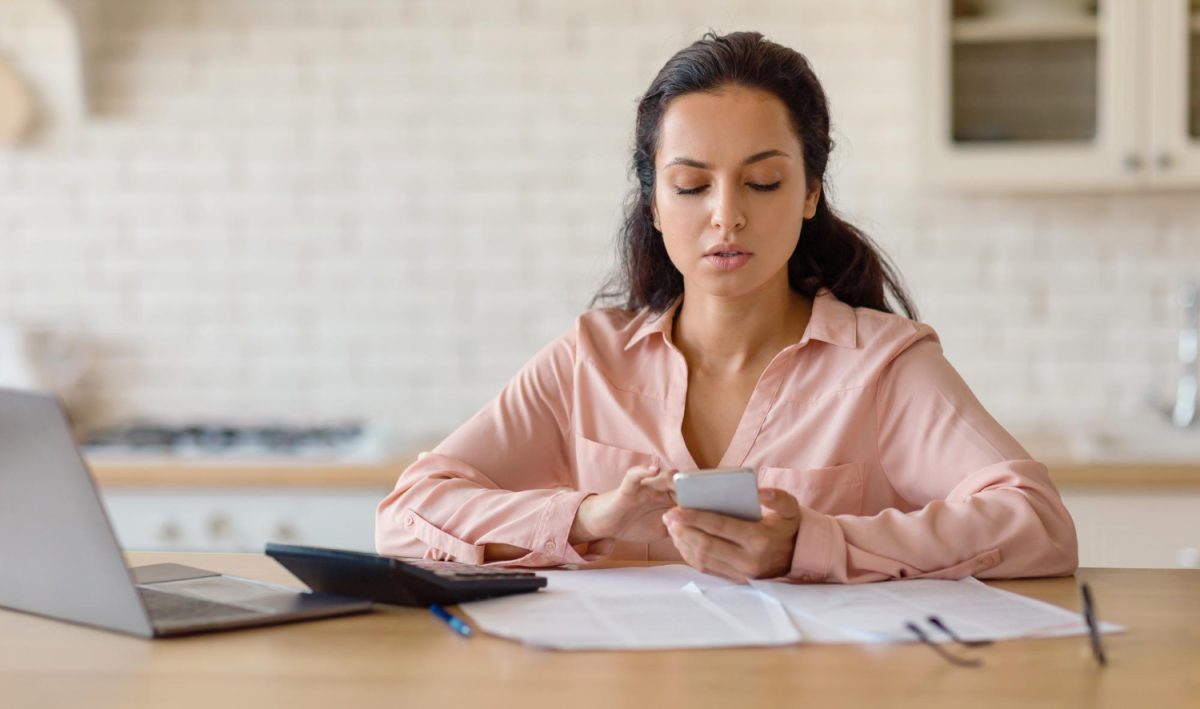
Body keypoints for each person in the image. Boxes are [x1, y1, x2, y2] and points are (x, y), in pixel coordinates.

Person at [375, 31, 1078, 583]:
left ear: (809, 193)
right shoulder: (589, 362)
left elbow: (1038, 524)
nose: (727, 216)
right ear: (652, 202)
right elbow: (406, 514)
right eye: (690, 186)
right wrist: (587, 517)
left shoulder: (883, 365)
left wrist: (818, 541)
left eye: (764, 182)